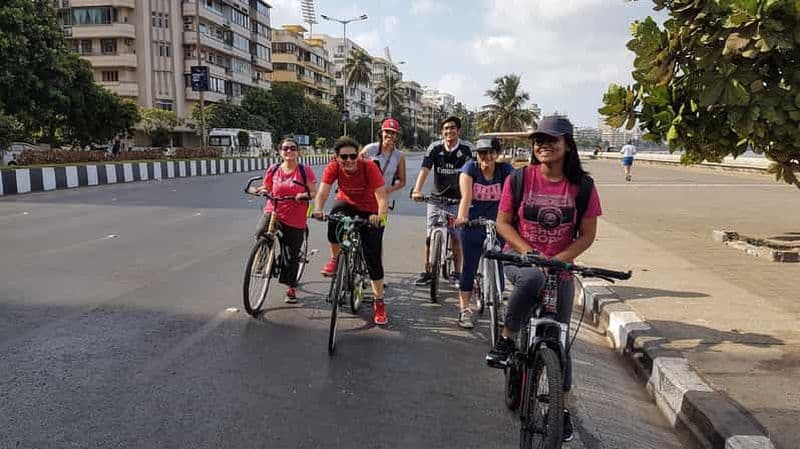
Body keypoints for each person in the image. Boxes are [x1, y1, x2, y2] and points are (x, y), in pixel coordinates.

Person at [485, 116, 602, 443]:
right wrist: (530, 252)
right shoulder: (520, 179)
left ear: (568, 144)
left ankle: (559, 410)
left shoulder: (584, 187)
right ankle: (507, 339)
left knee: (561, 344)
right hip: (520, 260)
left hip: (561, 270)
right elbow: (503, 224)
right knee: (534, 279)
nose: (542, 145)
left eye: (551, 140)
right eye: (538, 140)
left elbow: (587, 235)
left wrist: (558, 261)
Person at [313, 136, 390, 325]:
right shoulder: (333, 167)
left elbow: (381, 196)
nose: (348, 161)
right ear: (336, 157)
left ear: (358, 155)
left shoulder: (369, 167)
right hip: (346, 203)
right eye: (344, 157)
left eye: (352, 156)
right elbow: (323, 192)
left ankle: (379, 302)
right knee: (334, 220)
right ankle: (335, 258)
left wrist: (379, 217)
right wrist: (317, 209)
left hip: (370, 210)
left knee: (372, 257)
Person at [454, 137, 512, 329]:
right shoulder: (470, 169)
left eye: (490, 152)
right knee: (469, 266)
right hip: (472, 223)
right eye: (482, 153)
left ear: (497, 153)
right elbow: (466, 197)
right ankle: (464, 309)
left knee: (499, 261)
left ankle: (500, 303)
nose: (486, 156)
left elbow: (514, 197)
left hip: (499, 225)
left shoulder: (505, 171)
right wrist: (462, 217)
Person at [411, 116, 473, 287]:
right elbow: (425, 169)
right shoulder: (435, 148)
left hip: (457, 201)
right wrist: (417, 190)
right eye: (445, 128)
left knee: (456, 237)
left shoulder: (467, 149)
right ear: (442, 132)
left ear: (458, 130)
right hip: (435, 199)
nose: (449, 131)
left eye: (452, 128)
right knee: (429, 236)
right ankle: (428, 271)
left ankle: (458, 272)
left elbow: (474, 172)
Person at [255, 137, 317, 303]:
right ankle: (263, 258)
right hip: (274, 209)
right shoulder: (274, 169)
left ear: (298, 151)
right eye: (285, 148)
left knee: (290, 256)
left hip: (295, 215)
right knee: (261, 231)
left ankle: (290, 287)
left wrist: (303, 195)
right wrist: (259, 190)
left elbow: (313, 193)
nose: (289, 151)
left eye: (292, 148)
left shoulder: (305, 171)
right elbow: (267, 187)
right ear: (280, 151)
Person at [361, 118, 407, 199]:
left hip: (384, 199)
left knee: (383, 212)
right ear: (381, 133)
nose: (389, 135)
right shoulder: (369, 149)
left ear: (396, 136)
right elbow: (355, 168)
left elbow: (402, 182)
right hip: (366, 197)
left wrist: (387, 191)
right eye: (387, 132)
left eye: (393, 133)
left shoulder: (399, 156)